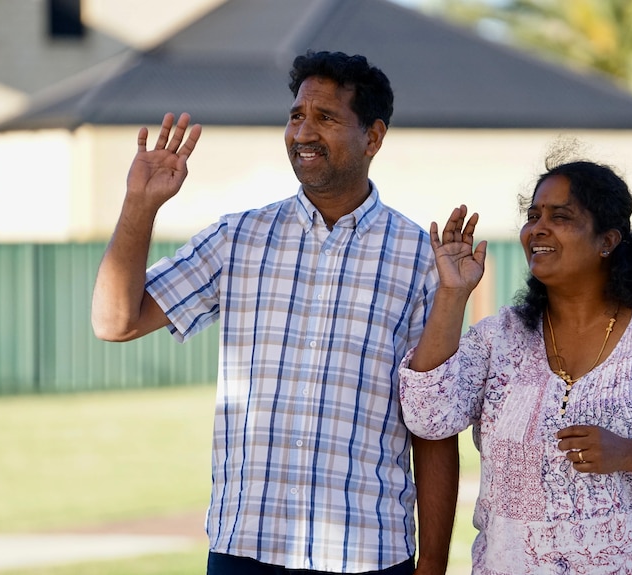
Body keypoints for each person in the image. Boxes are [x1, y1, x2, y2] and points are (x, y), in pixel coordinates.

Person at [90, 50, 459, 575]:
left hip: (369, 554)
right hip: (245, 550)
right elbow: (114, 321)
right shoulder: (237, 238)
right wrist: (139, 204)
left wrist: (434, 565)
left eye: (326, 118)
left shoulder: (422, 260)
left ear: (373, 138)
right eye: (296, 116)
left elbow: (433, 424)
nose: (303, 132)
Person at [398, 158, 632, 574]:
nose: (538, 228)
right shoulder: (502, 337)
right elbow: (428, 416)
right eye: (533, 216)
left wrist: (630, 452)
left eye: (560, 216)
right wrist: (452, 293)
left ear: (608, 241)